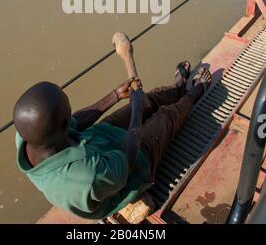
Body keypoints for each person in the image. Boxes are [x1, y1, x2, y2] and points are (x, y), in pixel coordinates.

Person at [13, 62, 211, 220]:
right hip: (129, 166)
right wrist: (136, 111)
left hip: (96, 139)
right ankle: (196, 91)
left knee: (148, 100)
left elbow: (76, 121)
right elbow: (128, 158)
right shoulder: (86, 177)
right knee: (166, 116)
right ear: (62, 126)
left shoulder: (29, 134)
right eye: (68, 105)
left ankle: (178, 89)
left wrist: (114, 96)